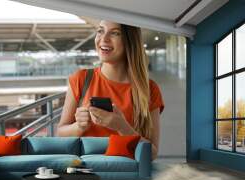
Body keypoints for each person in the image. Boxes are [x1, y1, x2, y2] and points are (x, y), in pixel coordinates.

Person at [56, 20, 164, 160]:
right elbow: (60, 132)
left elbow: (152, 154)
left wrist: (122, 127)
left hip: (128, 175)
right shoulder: (81, 79)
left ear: (130, 42)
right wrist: (79, 127)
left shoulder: (149, 89)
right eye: (100, 31)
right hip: (87, 172)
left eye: (115, 33)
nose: (104, 38)